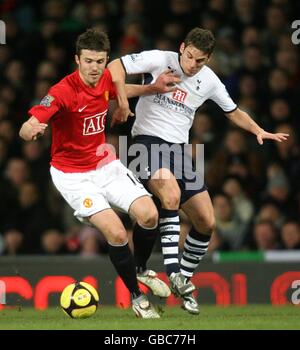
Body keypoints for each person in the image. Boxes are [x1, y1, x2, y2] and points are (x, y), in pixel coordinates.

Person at [108, 27, 289, 314]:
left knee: (207, 221)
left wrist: (258, 129)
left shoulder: (209, 80)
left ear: (209, 59)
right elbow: (114, 65)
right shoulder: (158, 60)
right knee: (170, 196)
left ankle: (184, 281)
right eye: (190, 57)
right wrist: (120, 99)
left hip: (179, 151)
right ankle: (173, 271)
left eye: (200, 61)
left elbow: (233, 111)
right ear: (182, 48)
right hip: (145, 143)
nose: (192, 65)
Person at [19, 28, 180, 319]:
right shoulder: (62, 92)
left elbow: (117, 90)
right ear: (77, 60)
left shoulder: (106, 77)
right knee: (117, 232)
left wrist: (151, 89)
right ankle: (136, 297)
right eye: (89, 61)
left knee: (149, 215)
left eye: (100, 61)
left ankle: (142, 269)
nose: (95, 68)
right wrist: (33, 129)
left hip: (104, 163)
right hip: (73, 176)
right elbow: (28, 124)